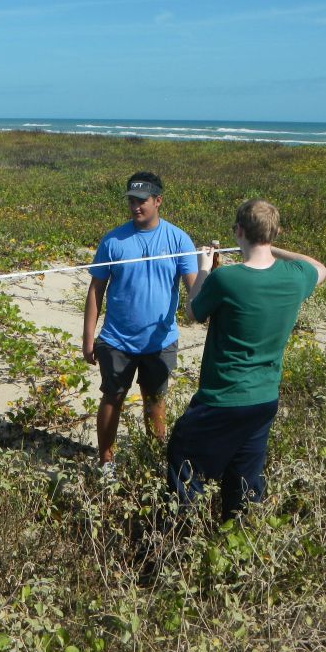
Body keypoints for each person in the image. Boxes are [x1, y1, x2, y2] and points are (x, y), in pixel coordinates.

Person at [167, 199, 326, 520]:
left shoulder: (226, 279)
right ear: (275, 232)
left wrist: (203, 267)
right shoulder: (295, 277)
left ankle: (180, 541)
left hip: (222, 398)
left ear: (239, 230)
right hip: (264, 399)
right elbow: (320, 268)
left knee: (184, 463)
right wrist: (274, 249)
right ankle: (239, 541)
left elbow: (193, 311)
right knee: (244, 483)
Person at [83, 171, 198, 472]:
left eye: (142, 201)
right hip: (116, 340)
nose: (136, 207)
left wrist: (209, 271)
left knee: (155, 400)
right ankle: (106, 461)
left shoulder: (179, 239)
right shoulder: (113, 241)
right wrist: (88, 338)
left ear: (158, 201)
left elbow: (195, 291)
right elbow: (96, 289)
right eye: (132, 201)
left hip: (159, 341)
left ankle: (154, 459)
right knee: (112, 397)